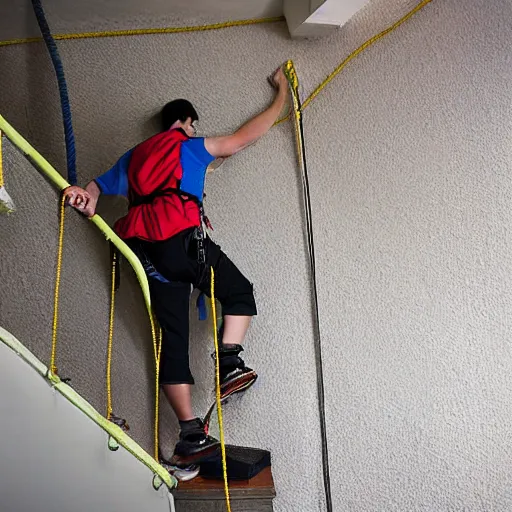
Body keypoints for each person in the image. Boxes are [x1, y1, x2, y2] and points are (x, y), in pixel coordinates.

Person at [64, 68, 289, 464]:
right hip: (181, 242)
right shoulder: (188, 145)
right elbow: (242, 139)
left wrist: (87, 198)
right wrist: (280, 97)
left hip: (143, 253)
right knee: (238, 291)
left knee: (173, 337)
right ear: (185, 123)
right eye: (191, 124)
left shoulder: (134, 157)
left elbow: (96, 188)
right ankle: (230, 363)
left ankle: (189, 434)